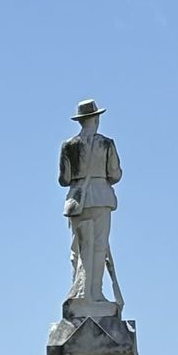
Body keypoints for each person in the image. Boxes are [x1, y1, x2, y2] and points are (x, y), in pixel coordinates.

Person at [59, 99, 121, 311]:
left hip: (77, 200)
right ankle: (94, 293)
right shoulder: (106, 144)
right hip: (101, 197)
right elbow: (115, 174)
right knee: (98, 248)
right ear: (95, 118)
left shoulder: (69, 146)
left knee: (78, 249)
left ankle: (81, 292)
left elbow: (64, 179)